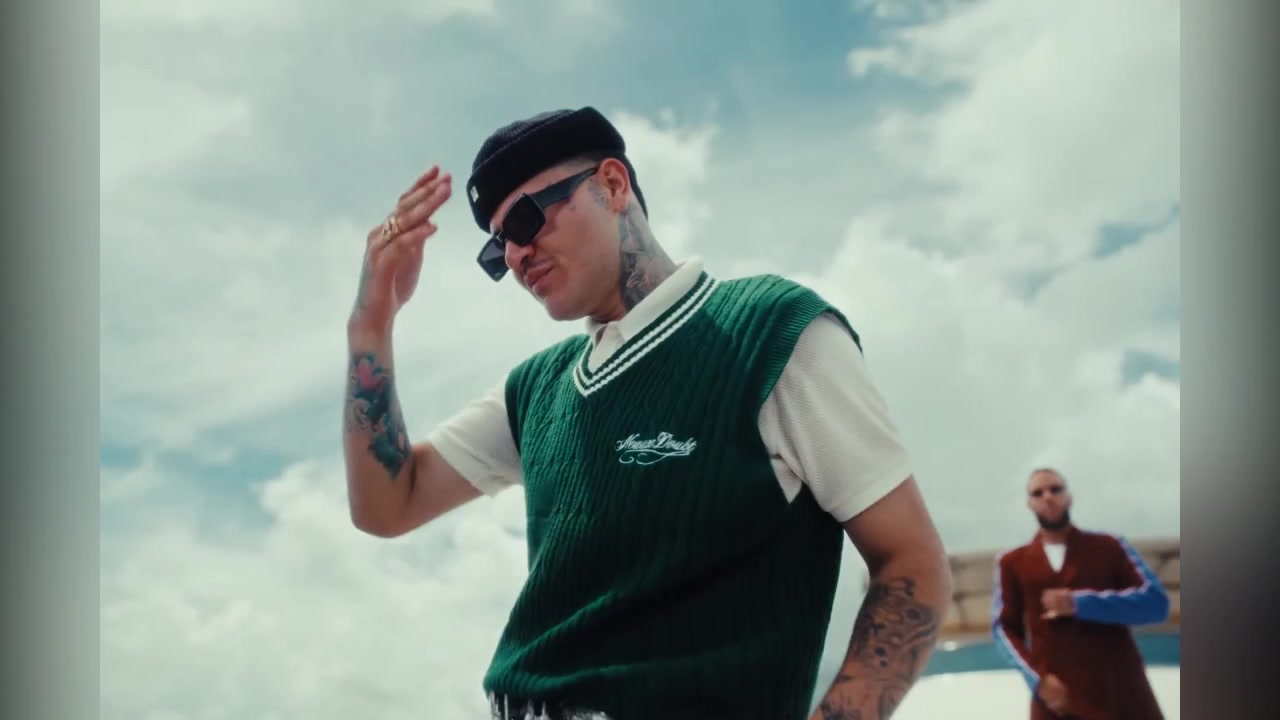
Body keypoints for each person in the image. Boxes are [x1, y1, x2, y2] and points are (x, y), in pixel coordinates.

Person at [342, 106, 952, 720]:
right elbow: (387, 504)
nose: (518, 254)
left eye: (526, 218)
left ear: (612, 184)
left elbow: (912, 564)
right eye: (498, 248)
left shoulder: (773, 334)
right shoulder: (534, 391)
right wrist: (371, 324)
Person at [991, 468, 1171, 720]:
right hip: (1058, 701)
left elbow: (1156, 604)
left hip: (1121, 693)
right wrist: (1038, 680)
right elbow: (1004, 628)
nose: (1048, 497)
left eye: (1055, 489)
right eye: (1038, 493)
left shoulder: (1110, 546)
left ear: (1069, 496)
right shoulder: (1011, 562)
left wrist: (1080, 604)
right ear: (1029, 504)